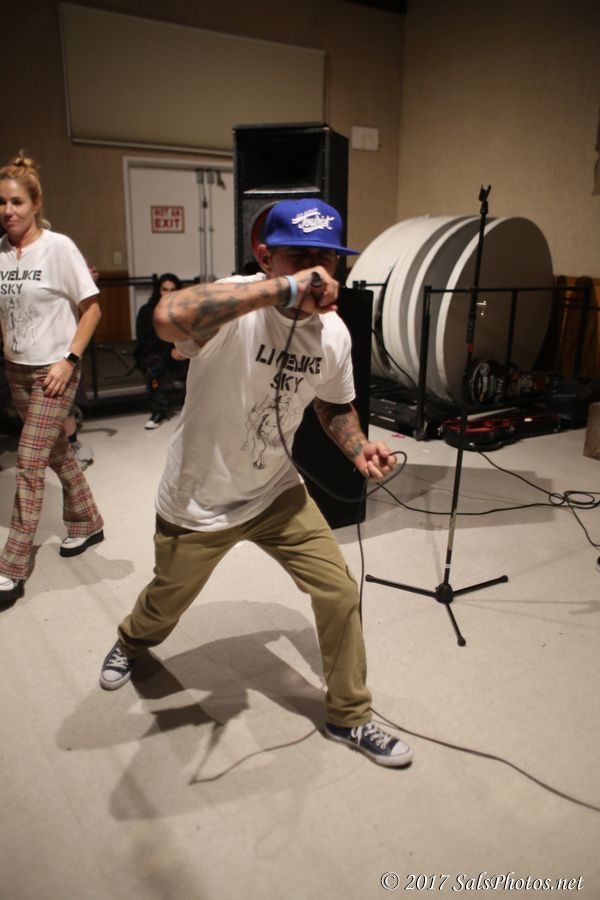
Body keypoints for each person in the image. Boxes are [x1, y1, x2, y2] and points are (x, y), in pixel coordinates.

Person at [100, 198, 413, 768]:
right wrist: (282, 290)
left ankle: (350, 714)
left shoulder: (334, 334)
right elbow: (167, 318)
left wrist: (358, 447)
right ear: (266, 258)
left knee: (339, 591)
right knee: (166, 601)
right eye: (300, 258)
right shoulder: (236, 305)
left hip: (275, 492)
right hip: (199, 498)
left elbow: (334, 406)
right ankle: (130, 640)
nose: (317, 274)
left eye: (327, 260)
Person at [0, 151, 104, 608]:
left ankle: (12, 566)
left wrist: (68, 360)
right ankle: (88, 521)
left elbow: (92, 308)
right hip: (17, 369)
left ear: (35, 203)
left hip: (54, 371)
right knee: (56, 451)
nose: (8, 210)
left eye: (17, 202)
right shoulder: (1, 253)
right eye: (2, 202)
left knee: (28, 460)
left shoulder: (58, 247)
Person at [134, 273, 189, 429]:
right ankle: (159, 412)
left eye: (172, 290)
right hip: (154, 354)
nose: (168, 294)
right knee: (155, 367)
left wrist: (184, 350)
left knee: (201, 359)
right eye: (165, 289)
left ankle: (195, 407)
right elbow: (146, 341)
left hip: (179, 352)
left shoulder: (183, 310)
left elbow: (189, 334)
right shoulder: (148, 311)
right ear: (159, 290)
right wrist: (169, 351)